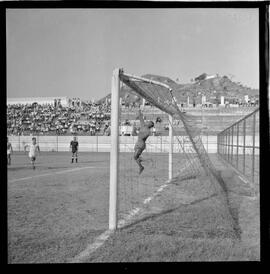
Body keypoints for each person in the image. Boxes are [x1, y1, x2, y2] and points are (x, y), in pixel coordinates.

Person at [134, 109, 154, 174]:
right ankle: (141, 167)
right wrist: (139, 110)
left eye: (149, 122)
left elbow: (143, 137)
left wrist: (136, 132)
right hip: (137, 143)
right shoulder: (143, 125)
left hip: (141, 145)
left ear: (150, 125)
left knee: (135, 156)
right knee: (136, 157)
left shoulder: (148, 131)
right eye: (148, 121)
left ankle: (148, 160)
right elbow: (141, 118)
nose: (147, 122)